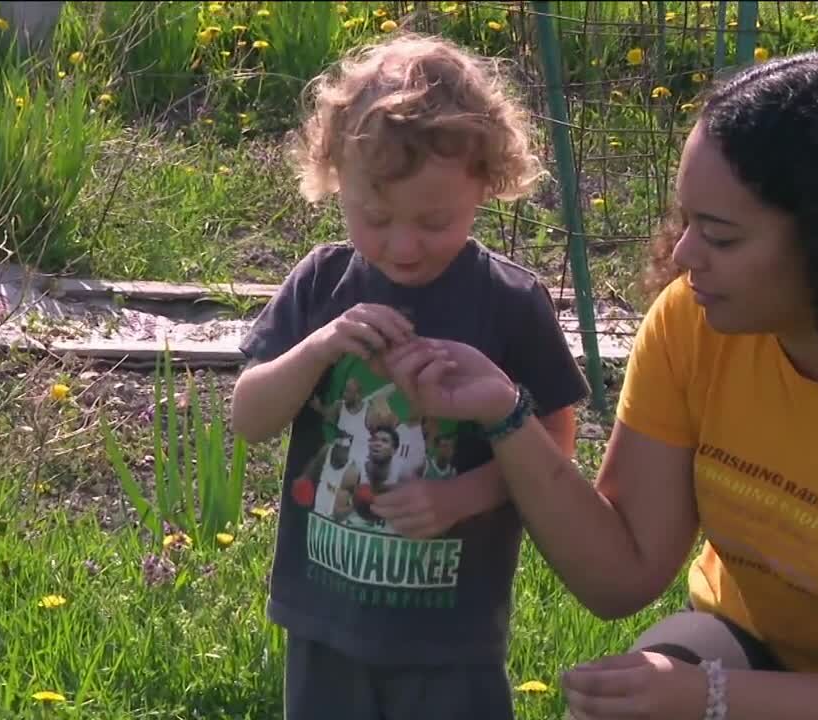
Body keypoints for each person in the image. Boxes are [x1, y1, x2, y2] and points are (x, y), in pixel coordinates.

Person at [381, 49, 818, 720]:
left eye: (722, 236)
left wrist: (709, 698)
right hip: (758, 642)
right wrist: (507, 414)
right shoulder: (694, 323)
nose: (682, 255)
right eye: (687, 223)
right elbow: (621, 575)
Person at [230, 33, 589, 720]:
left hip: (449, 638)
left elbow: (555, 447)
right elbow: (249, 418)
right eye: (375, 217)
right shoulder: (320, 286)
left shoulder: (508, 303)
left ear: (486, 181)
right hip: (325, 621)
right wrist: (318, 350)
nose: (402, 244)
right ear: (334, 175)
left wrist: (463, 499)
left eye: (434, 221)